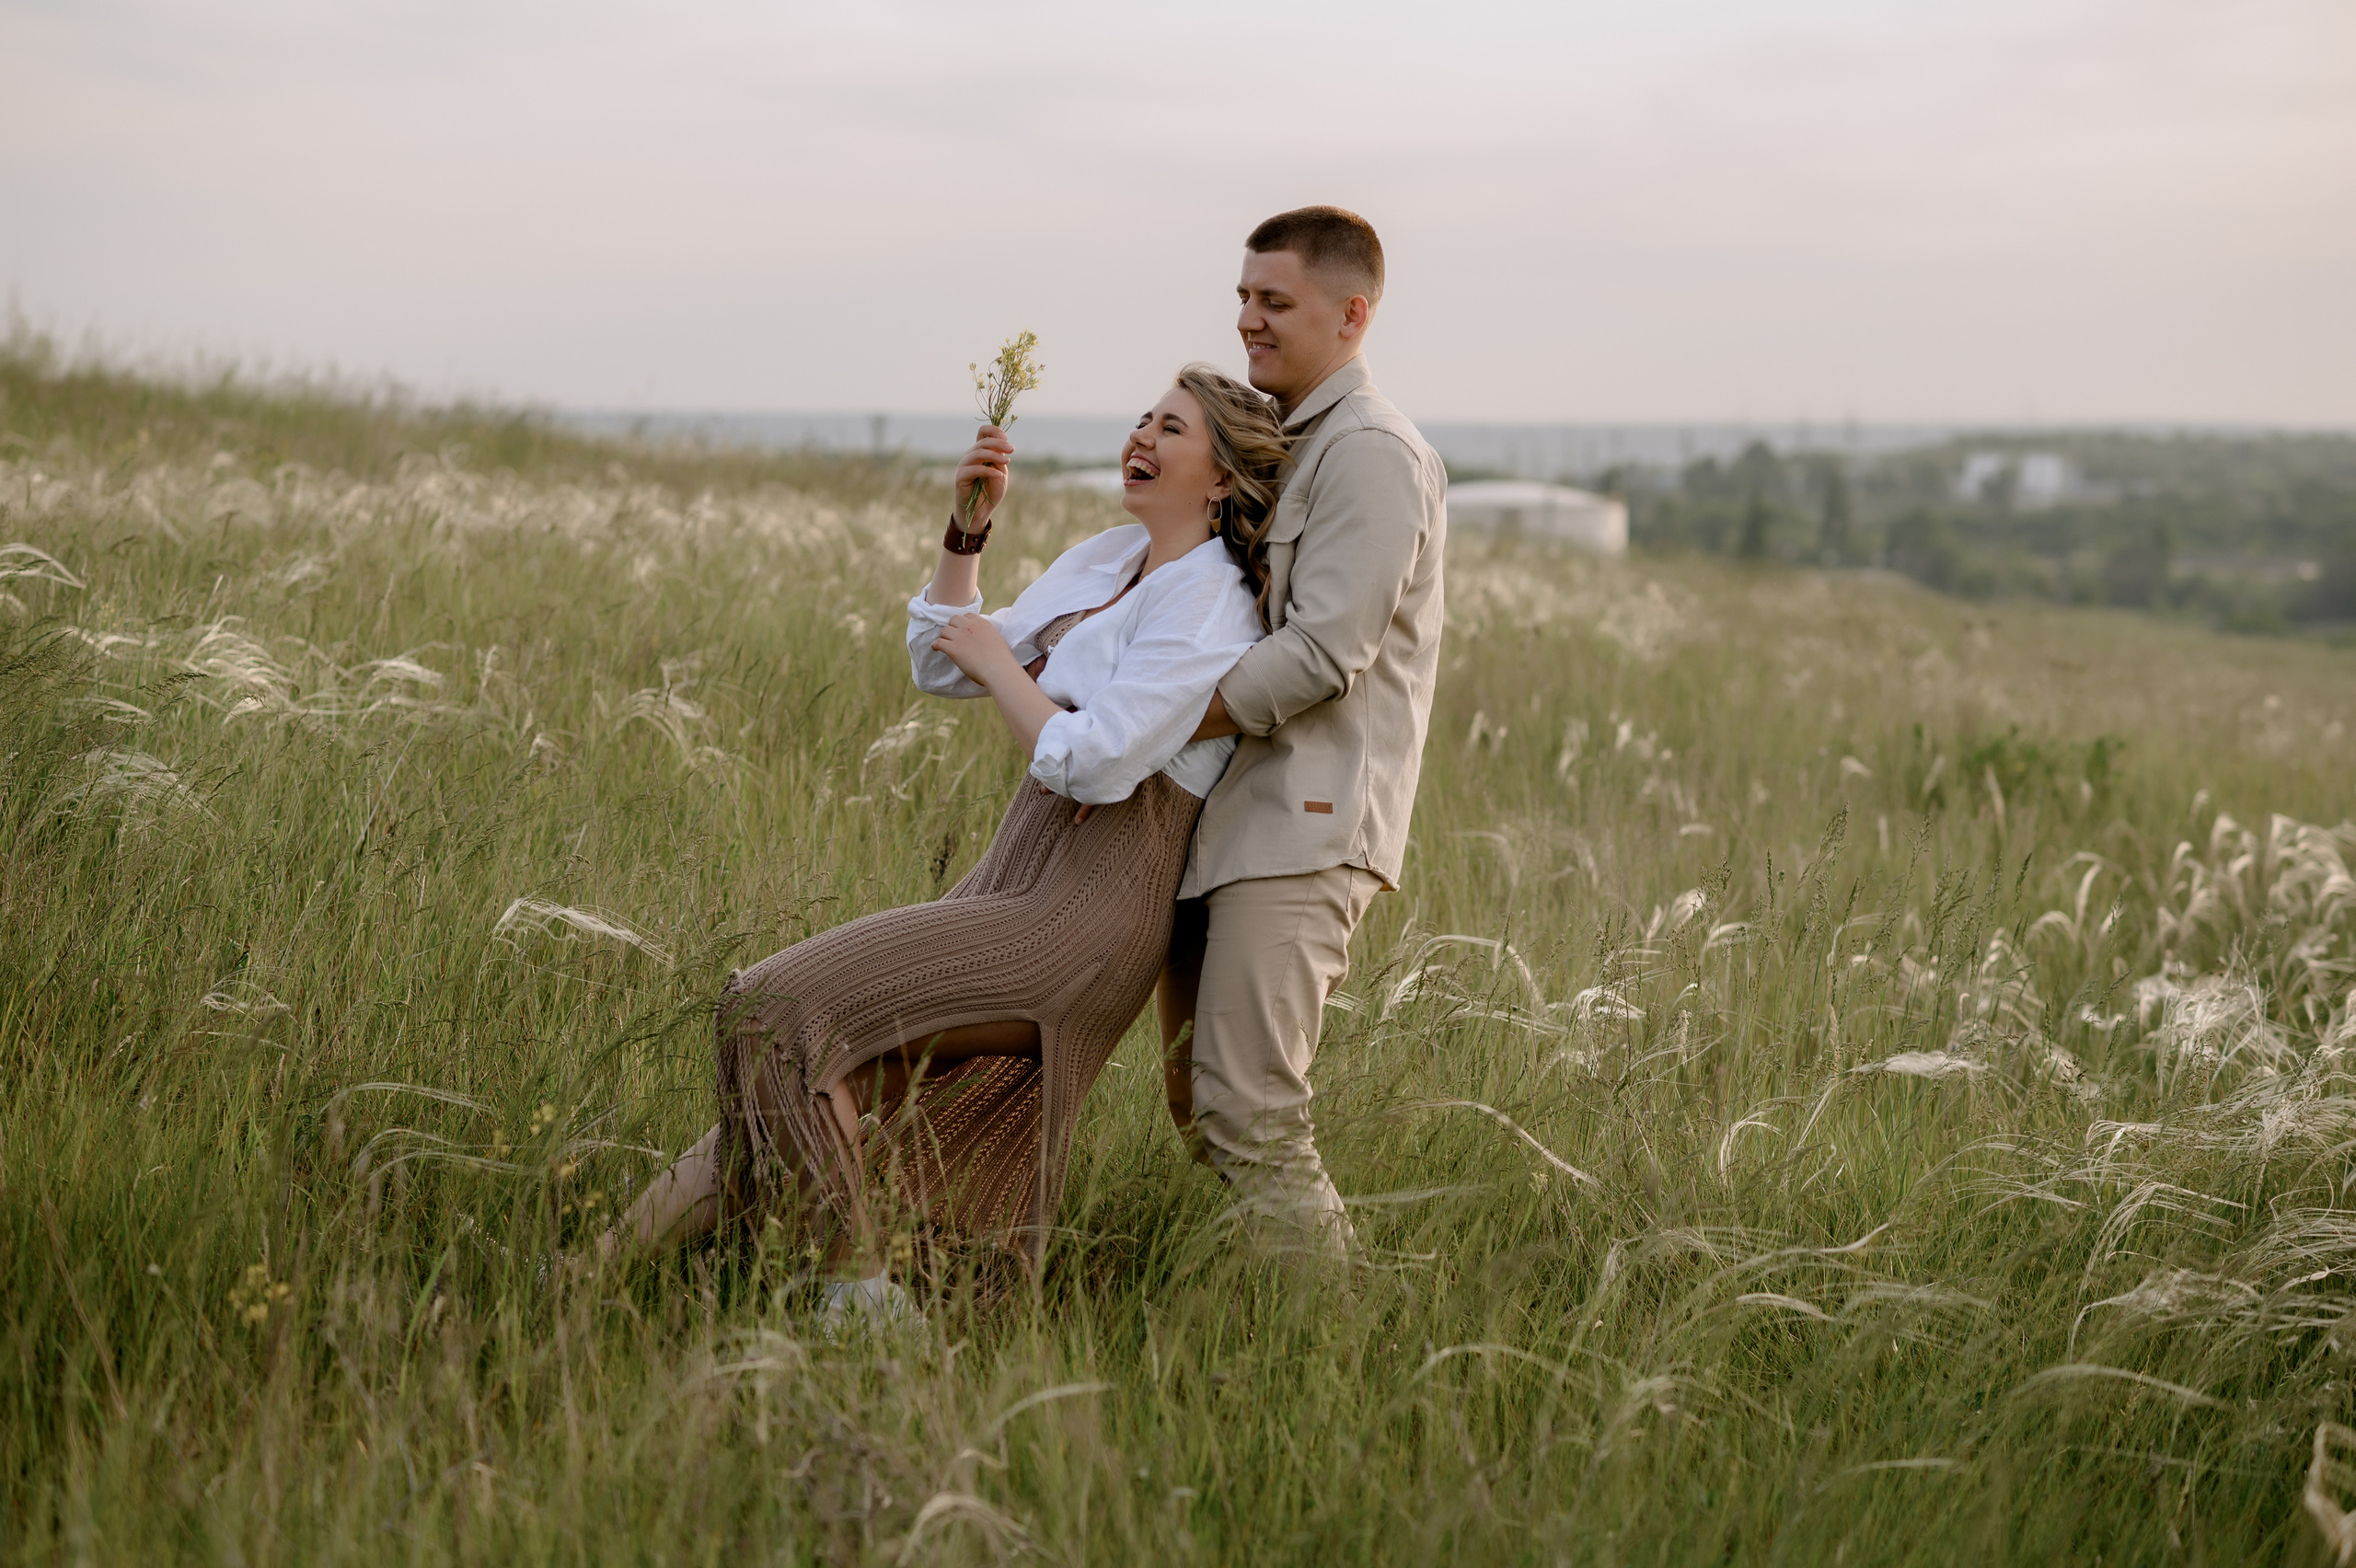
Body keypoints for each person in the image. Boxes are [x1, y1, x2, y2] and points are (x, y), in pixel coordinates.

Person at [595, 365, 1292, 1318]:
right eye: (1142, 419)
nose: (1142, 437)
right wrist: (967, 533)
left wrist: (1004, 665)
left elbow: (1095, 763)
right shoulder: (1105, 561)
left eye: (1172, 428)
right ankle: (584, 1286)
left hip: (1084, 911)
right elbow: (939, 660)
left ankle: (858, 1306)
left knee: (771, 1013)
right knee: (787, 1086)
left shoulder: (1210, 602)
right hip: (1013, 879)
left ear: (1220, 478)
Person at [1158, 206, 1449, 1262]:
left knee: (1249, 1110)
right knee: (1202, 1101)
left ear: (1352, 314)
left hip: (1309, 819)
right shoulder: (1296, 440)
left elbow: (1326, 651)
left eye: (1273, 301)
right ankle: (1262, 1313)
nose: (1248, 320)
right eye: (1242, 298)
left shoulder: (1370, 452)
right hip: (1244, 819)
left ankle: (1338, 1349)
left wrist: (1141, 720)